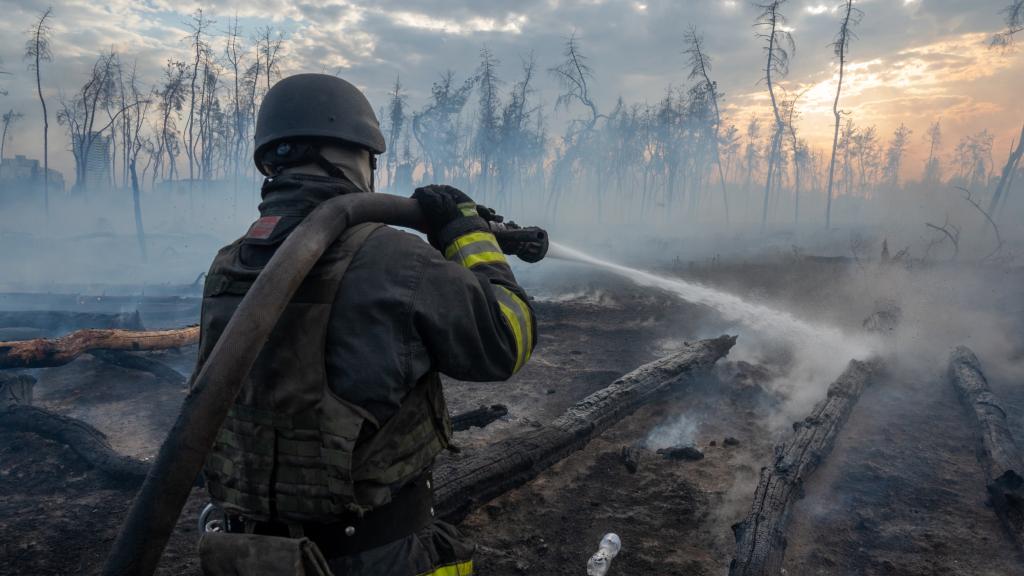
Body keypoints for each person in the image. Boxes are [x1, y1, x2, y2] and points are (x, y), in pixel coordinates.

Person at [193, 73, 536, 576]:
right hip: (377, 556)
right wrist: (470, 239)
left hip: (252, 559)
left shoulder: (230, 264)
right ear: (351, 154)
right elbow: (507, 339)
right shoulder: (397, 261)